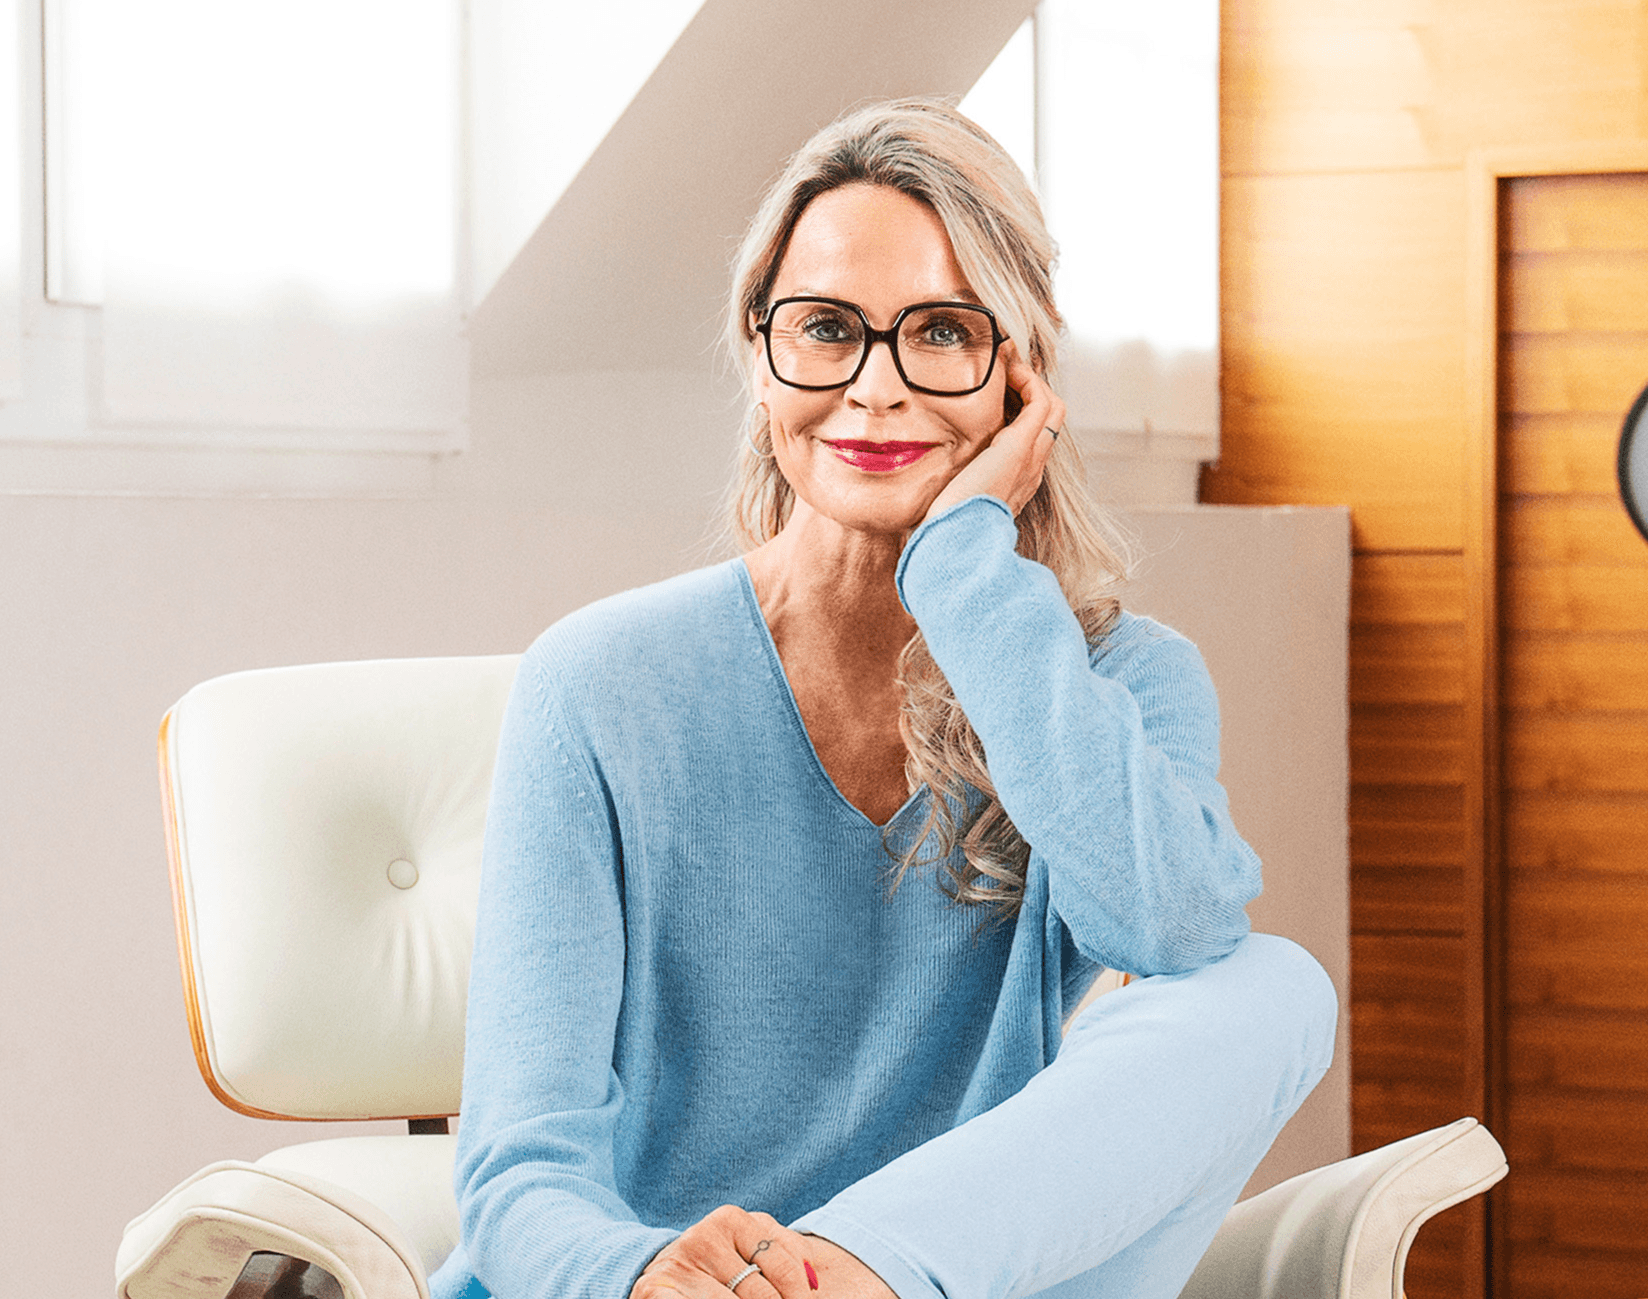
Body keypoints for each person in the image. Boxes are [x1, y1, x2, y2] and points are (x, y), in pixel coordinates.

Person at [428, 98, 1336, 1299]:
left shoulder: (1118, 677)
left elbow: (1171, 930)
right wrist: (648, 1277)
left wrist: (964, 572)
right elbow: (517, 1177)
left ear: (1021, 375)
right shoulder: (599, 682)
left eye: (941, 333)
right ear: (760, 360)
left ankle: (849, 1277)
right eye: (824, 329)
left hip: (929, 1279)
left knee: (1271, 988)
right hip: (660, 1295)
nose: (873, 387)